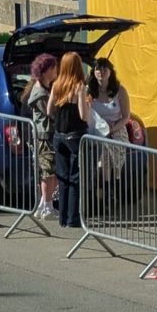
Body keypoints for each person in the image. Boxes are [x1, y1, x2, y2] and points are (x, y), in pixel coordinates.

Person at [46, 52, 91, 228]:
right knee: (75, 178)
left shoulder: (57, 85)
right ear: (78, 66)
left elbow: (49, 110)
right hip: (76, 135)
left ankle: (62, 217)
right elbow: (83, 115)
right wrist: (87, 105)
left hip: (59, 135)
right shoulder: (79, 86)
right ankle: (73, 219)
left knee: (63, 178)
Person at [22, 54, 58, 220]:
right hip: (43, 136)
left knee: (51, 171)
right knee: (47, 171)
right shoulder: (40, 93)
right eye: (53, 68)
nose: (56, 70)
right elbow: (51, 113)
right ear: (44, 71)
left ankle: (44, 203)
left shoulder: (46, 89)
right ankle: (47, 205)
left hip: (46, 135)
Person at [87, 58, 131, 184]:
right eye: (98, 69)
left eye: (104, 68)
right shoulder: (88, 90)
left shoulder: (120, 91)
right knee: (101, 151)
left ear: (111, 72)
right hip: (95, 131)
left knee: (107, 150)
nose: (101, 71)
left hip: (116, 130)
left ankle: (111, 185)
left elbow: (126, 117)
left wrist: (111, 129)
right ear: (93, 72)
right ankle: (104, 186)